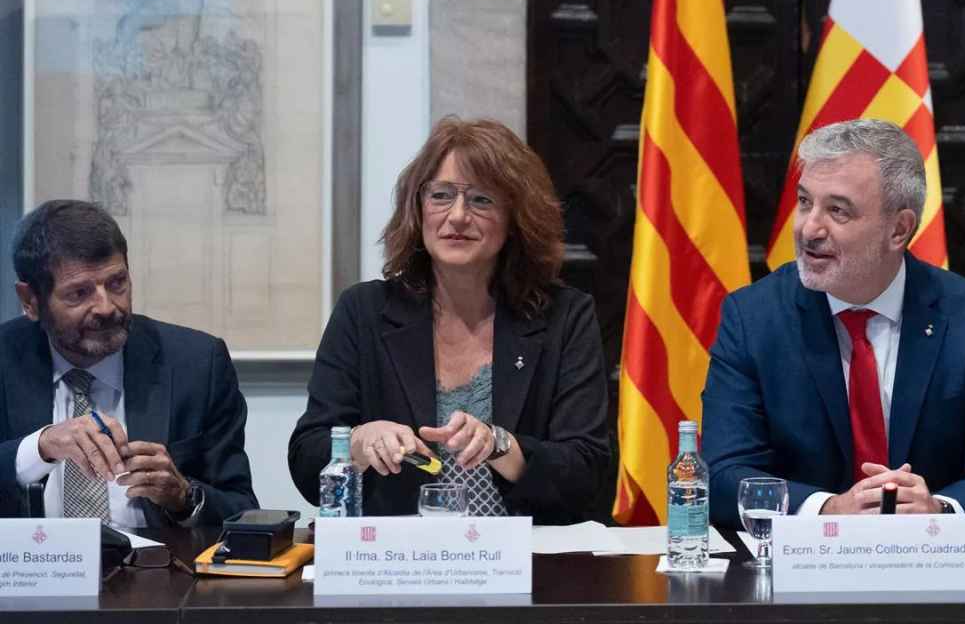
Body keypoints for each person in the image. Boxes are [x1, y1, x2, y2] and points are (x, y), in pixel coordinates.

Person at [701, 118, 965, 531]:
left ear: (898, 230)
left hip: (932, 572)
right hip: (796, 579)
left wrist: (939, 511)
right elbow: (723, 475)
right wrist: (828, 510)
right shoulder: (753, 318)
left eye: (837, 210)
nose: (809, 228)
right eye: (805, 202)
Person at [288, 118, 610, 522]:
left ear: (516, 218)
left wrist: (502, 446)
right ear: (417, 208)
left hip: (528, 563)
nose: (457, 216)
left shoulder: (565, 317)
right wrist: (356, 442)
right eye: (441, 196)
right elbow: (305, 460)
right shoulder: (364, 312)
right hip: (399, 563)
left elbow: (587, 472)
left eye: (481, 200)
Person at [1, 200, 257, 526]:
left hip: (161, 571)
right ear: (30, 301)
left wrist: (183, 496)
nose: (106, 307)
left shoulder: (196, 364)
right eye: (79, 293)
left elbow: (242, 511)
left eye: (116, 283)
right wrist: (39, 448)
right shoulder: (6, 359)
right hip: (30, 572)